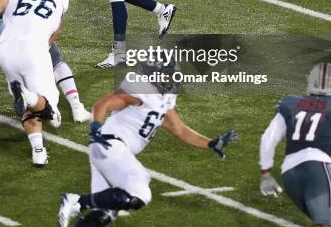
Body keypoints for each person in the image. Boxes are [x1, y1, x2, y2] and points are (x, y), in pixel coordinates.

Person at [58, 59, 237, 226]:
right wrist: (95, 128)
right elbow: (101, 105)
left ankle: (80, 203)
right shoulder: (141, 89)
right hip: (110, 145)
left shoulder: (163, 98)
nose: (173, 78)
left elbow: (179, 129)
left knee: (106, 213)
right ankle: (77, 201)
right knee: (140, 191)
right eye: (168, 74)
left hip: (108, 150)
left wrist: (210, 143)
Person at [0, 0, 68, 167]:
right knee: (49, 109)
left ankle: (38, 150)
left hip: (7, 50)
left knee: (31, 107)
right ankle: (28, 96)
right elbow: (55, 31)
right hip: (35, 50)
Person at [259, 62, 331, 227]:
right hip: (316, 169)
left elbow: (268, 138)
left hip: (289, 173)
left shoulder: (290, 103)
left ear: (309, 81)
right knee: (326, 223)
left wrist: (265, 172)